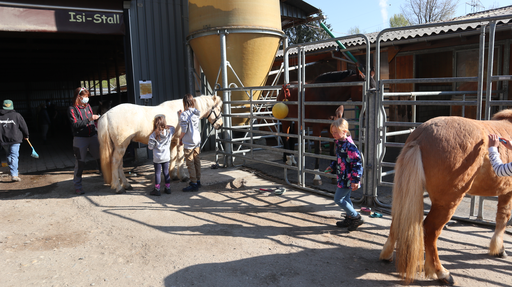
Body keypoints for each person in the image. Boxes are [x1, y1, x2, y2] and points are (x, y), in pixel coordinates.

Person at [324, 118, 364, 231]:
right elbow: (340, 159)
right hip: (343, 176)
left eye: (336, 132)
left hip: (348, 178)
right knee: (345, 198)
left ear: (344, 131)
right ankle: (350, 218)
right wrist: (332, 166)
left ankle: (356, 216)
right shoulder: (340, 144)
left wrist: (355, 180)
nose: (333, 134)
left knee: (338, 199)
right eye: (332, 132)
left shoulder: (349, 146)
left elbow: (357, 163)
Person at [67, 87, 101, 195]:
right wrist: (90, 119)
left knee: (100, 158)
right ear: (79, 97)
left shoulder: (88, 107)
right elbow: (75, 124)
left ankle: (107, 178)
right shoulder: (72, 109)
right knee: (80, 162)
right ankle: (78, 186)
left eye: (87, 97)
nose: (86, 99)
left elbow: (91, 122)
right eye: (85, 97)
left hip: (93, 136)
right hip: (80, 138)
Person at [0, 99, 29, 182]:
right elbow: (24, 126)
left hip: (3, 139)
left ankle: (12, 170)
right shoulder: (17, 115)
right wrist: (26, 135)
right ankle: (14, 174)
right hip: (15, 139)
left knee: (9, 155)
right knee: (14, 155)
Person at [179, 94, 202, 192]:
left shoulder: (184, 115)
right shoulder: (197, 112)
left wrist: (180, 139)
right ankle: (198, 180)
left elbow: (184, 130)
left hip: (189, 142)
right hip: (197, 140)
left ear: (184, 103)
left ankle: (193, 183)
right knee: (197, 161)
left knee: (190, 163)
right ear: (192, 102)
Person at [148, 115, 175, 196]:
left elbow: (150, 147)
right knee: (166, 172)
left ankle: (157, 189)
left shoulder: (153, 135)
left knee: (157, 173)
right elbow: (173, 127)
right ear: (164, 123)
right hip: (166, 157)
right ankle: (168, 188)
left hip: (157, 158)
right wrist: (166, 126)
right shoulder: (169, 131)